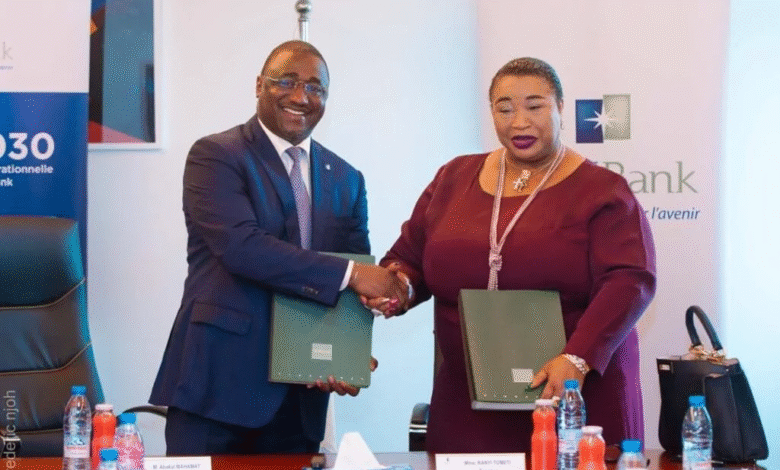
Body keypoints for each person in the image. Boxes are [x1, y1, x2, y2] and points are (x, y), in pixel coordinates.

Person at [373, 57, 656, 452]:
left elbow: (629, 281)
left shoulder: (603, 190)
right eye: (504, 109)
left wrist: (577, 358)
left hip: (572, 390)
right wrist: (398, 287)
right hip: (468, 398)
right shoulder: (453, 177)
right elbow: (409, 257)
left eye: (534, 106)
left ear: (560, 108)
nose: (519, 122)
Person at [149, 40, 408, 455]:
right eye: (286, 81)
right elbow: (243, 248)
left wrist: (349, 351)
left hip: (302, 396)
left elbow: (355, 277)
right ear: (259, 85)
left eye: (315, 88)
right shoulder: (217, 156)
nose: (300, 97)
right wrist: (355, 275)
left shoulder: (347, 178)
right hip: (219, 388)